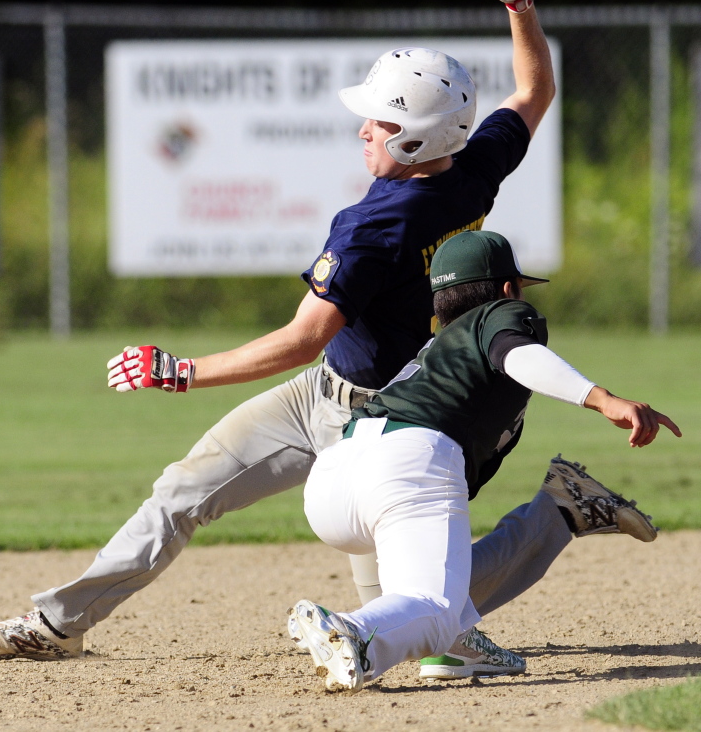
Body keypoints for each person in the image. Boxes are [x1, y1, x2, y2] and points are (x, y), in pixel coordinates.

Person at [0, 0, 652, 677]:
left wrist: (180, 371)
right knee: (185, 491)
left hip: (390, 425)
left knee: (424, 616)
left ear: (414, 137)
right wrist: (521, 5)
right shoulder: (470, 169)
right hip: (327, 393)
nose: (363, 133)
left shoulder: (373, 225)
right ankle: (59, 622)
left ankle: (557, 512)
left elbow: (301, 337)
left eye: (377, 124)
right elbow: (535, 89)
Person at [287, 229, 681, 692]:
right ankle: (352, 633)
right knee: (431, 605)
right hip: (409, 462)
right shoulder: (497, 316)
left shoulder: (437, 351)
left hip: (337, 475)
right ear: (509, 290)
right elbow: (518, 354)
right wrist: (604, 400)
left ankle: (455, 643)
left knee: (434, 600)